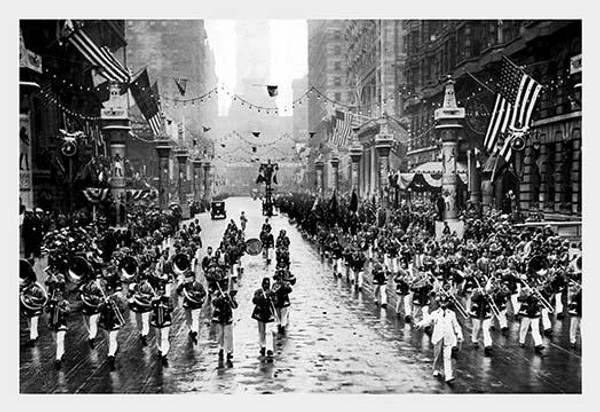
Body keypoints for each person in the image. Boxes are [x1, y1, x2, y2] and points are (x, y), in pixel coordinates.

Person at [416, 295, 463, 384]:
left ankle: (448, 376)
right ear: (439, 303)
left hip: (449, 337)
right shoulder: (435, 313)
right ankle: (436, 368)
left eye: (445, 302)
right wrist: (420, 324)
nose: (443, 304)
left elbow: (456, 325)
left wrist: (459, 334)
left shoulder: (452, 314)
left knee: (447, 357)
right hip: (438, 337)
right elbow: (428, 320)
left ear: (448, 303)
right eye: (441, 302)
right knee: (437, 355)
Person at [98, 265, 125, 370]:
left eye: (111, 291)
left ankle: (111, 355)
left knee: (112, 339)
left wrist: (114, 304)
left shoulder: (117, 298)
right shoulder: (103, 299)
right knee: (108, 340)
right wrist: (104, 304)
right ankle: (111, 351)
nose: (109, 292)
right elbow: (99, 309)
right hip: (105, 322)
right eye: (108, 291)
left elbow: (122, 309)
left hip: (114, 322)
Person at [45, 268, 70, 369]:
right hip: (53, 325)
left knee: (60, 341)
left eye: (59, 296)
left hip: (62, 324)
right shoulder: (52, 302)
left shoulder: (65, 303)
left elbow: (68, 312)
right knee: (57, 341)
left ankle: (58, 358)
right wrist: (50, 304)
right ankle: (62, 352)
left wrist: (60, 308)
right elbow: (46, 311)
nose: (58, 297)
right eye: (56, 296)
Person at [176, 268, 206, 345]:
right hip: (188, 304)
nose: (187, 279)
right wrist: (181, 284)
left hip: (196, 304)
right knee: (188, 318)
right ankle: (191, 329)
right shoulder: (185, 285)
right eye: (187, 277)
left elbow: (203, 293)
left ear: (193, 278)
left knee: (195, 318)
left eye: (189, 277)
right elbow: (178, 291)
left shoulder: (198, 285)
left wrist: (196, 294)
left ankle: (195, 331)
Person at [211, 280, 238, 367]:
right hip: (219, 316)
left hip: (227, 316)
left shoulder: (230, 294)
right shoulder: (217, 293)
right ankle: (221, 348)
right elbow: (214, 302)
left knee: (228, 335)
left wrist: (230, 299)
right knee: (220, 334)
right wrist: (220, 299)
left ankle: (229, 351)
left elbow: (235, 306)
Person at [251, 277, 276, 361]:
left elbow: (275, 301)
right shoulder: (258, 292)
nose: (266, 285)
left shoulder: (272, 292)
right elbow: (254, 300)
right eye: (265, 284)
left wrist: (271, 297)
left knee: (269, 331)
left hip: (269, 313)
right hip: (260, 313)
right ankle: (263, 345)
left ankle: (270, 349)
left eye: (268, 284)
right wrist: (262, 297)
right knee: (261, 331)